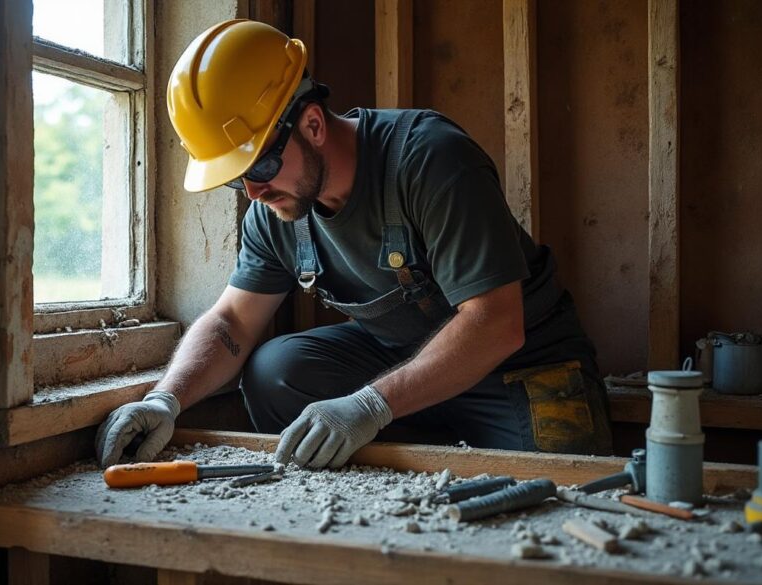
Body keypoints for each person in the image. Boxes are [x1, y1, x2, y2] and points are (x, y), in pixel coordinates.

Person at [95, 19, 612, 470]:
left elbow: (495, 323)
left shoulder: (430, 160)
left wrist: (369, 407)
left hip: (519, 366)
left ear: (313, 124)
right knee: (277, 372)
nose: (253, 192)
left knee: (562, 481)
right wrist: (166, 399)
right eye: (235, 178)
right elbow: (232, 321)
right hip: (398, 368)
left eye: (261, 166)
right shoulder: (275, 209)